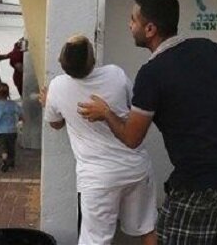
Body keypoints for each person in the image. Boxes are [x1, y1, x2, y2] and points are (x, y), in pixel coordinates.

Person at [78, 0, 217, 244]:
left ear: (150, 29)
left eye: (133, 20)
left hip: (197, 185)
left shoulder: (152, 74)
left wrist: (106, 113)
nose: (129, 25)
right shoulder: (209, 48)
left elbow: (132, 138)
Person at [44, 35, 157, 245]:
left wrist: (50, 102)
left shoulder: (57, 87)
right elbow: (133, 107)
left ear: (61, 62)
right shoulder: (115, 74)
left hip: (98, 179)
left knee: (95, 240)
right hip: (136, 168)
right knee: (147, 228)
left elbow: (55, 124)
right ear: (92, 59)